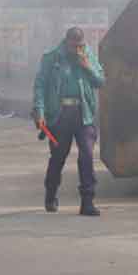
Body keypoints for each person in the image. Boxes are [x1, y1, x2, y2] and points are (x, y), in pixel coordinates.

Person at [33, 27, 106, 216]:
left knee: (87, 155)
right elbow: (40, 85)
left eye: (81, 46)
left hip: (84, 113)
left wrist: (87, 66)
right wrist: (40, 112)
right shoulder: (52, 58)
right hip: (60, 114)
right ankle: (51, 193)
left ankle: (87, 201)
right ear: (67, 42)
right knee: (58, 157)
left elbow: (100, 81)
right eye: (74, 46)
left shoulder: (87, 55)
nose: (78, 50)